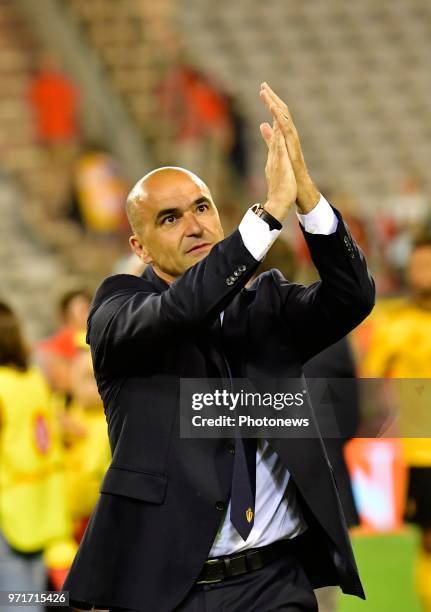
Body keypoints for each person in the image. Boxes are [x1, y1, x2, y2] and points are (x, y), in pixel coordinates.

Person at [64, 83, 375, 611]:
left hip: (278, 582)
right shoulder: (120, 306)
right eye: (170, 218)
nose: (194, 225)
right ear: (138, 246)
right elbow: (183, 308)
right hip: (174, 592)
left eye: (202, 207)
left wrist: (306, 199)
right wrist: (266, 218)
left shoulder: (267, 306)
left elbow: (352, 297)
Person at [363, 233, 431, 612]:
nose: (425, 272)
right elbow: (370, 381)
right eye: (420, 264)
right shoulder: (395, 322)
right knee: (429, 540)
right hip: (422, 451)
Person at [0, 301, 76, 606]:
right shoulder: (32, 379)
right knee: (33, 598)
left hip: (8, 515)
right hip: (42, 508)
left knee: (13, 603)